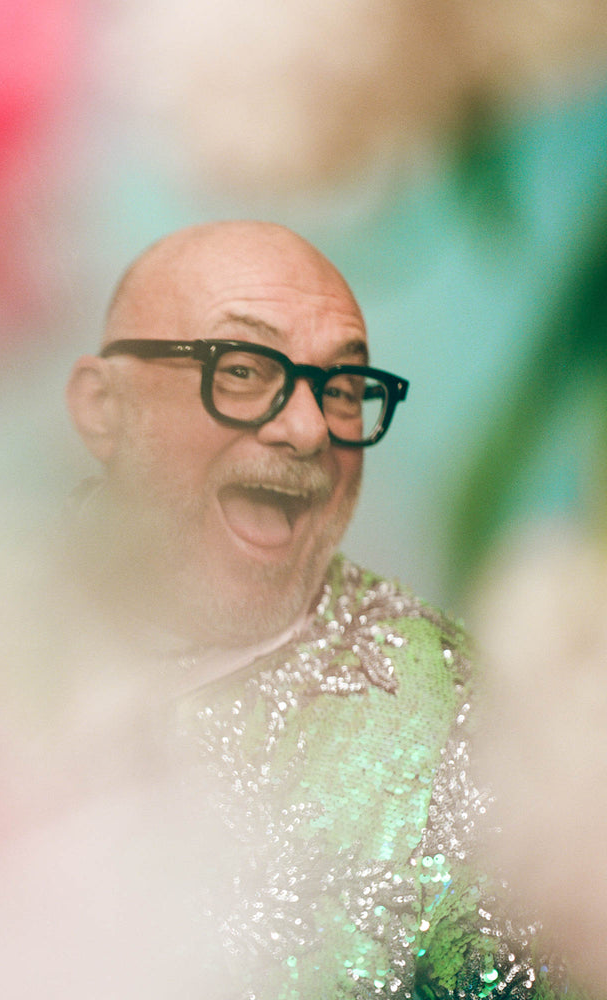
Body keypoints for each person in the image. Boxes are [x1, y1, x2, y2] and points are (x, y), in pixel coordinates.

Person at [62, 221, 584, 998]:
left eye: (342, 390)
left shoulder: (458, 725)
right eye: (242, 370)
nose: (309, 429)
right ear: (103, 407)